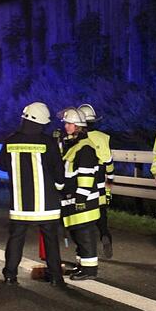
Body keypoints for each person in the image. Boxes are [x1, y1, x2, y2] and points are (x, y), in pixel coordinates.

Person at [0, 102, 66, 286]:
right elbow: (58, 169)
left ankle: (10, 275)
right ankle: (56, 277)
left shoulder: (11, 140)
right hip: (46, 203)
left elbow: (1, 164)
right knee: (50, 239)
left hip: (20, 203)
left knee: (16, 238)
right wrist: (60, 187)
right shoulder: (48, 142)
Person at [60, 107, 104, 280]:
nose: (66, 126)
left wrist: (81, 198)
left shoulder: (85, 148)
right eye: (66, 123)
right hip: (75, 200)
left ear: (78, 126)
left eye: (69, 124)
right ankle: (82, 266)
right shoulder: (74, 145)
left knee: (85, 236)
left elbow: (86, 175)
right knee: (78, 235)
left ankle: (89, 271)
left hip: (84, 202)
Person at [78, 103, 114, 259]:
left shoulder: (78, 138)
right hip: (100, 181)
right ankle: (104, 234)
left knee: (84, 218)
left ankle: (86, 250)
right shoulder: (103, 137)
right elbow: (109, 162)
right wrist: (110, 179)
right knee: (101, 214)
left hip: (84, 180)